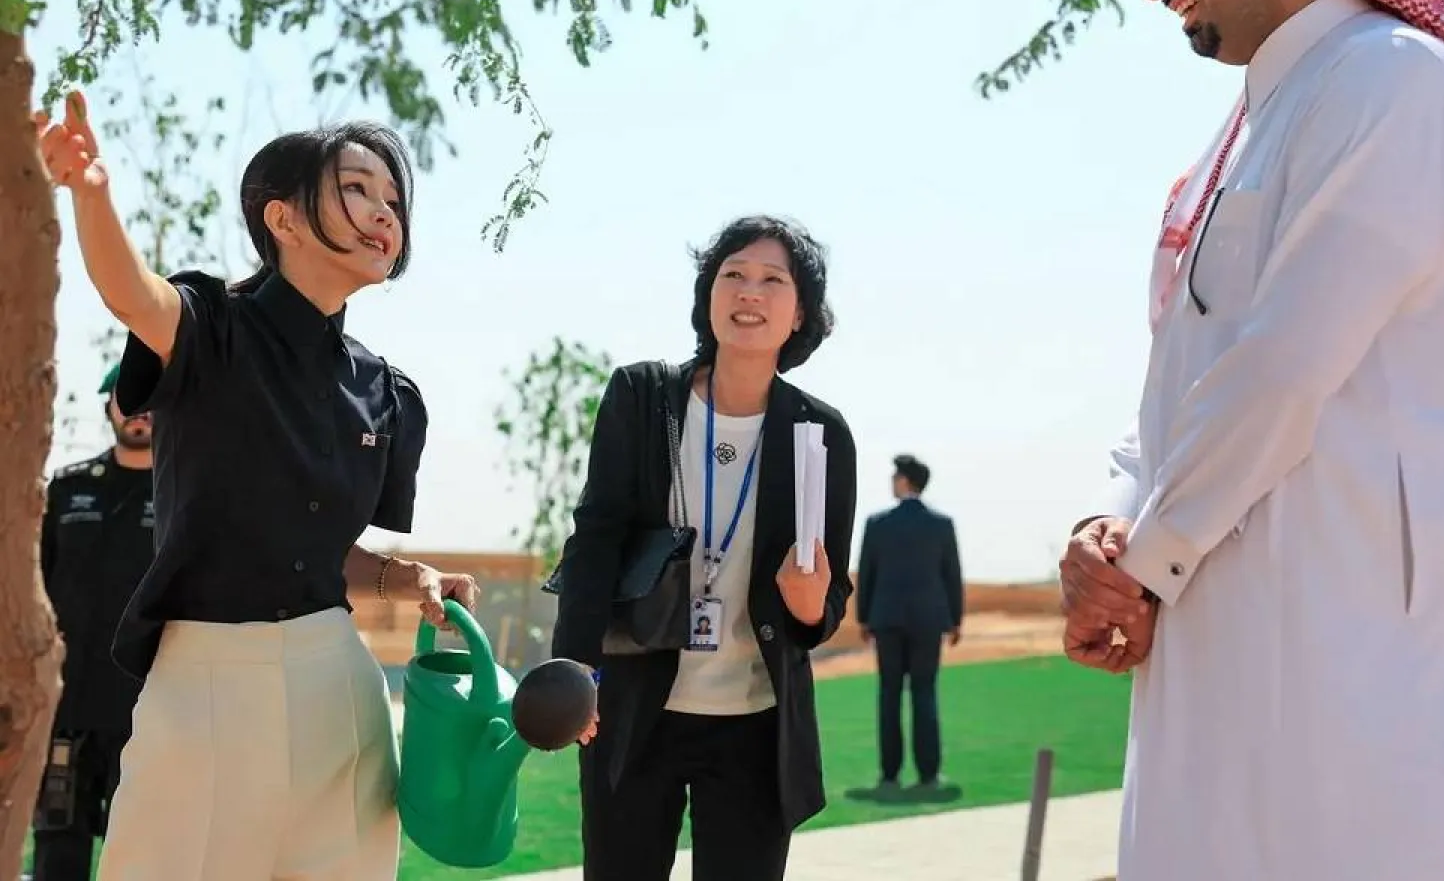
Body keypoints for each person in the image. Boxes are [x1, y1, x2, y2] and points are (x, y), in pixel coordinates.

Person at [1057, 0, 1444, 881]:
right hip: (1214, 609)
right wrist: (1109, 528)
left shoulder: (1392, 77)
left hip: (1349, 634)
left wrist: (1152, 562)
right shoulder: (1244, 129)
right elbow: (1183, 370)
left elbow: (1287, 363)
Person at [37, 91, 480, 881]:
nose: (383, 212)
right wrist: (92, 196)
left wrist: (399, 577)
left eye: (392, 199)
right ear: (283, 219)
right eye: (355, 188)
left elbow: (320, 548)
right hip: (203, 683)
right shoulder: (212, 327)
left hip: (336, 686)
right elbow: (131, 293)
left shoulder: (386, 391)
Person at [549, 214, 858, 881]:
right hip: (634, 711)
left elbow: (826, 604)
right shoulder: (641, 396)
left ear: (801, 311)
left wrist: (809, 604)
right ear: (709, 294)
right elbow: (595, 539)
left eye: (772, 280)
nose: (749, 292)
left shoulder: (820, 432)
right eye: (733, 275)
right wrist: (577, 674)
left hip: (756, 724)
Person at [30, 363, 156, 881]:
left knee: (150, 857)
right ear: (109, 406)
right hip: (68, 712)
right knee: (58, 854)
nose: (140, 411)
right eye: (128, 398)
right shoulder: (65, 490)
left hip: (151, 714)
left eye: (152, 399)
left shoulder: (189, 499)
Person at [853, 453, 962, 797]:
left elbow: (865, 573)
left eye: (895, 476)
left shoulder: (877, 523)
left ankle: (889, 774)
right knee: (924, 694)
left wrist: (863, 617)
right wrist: (955, 619)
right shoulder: (941, 524)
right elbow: (951, 575)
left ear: (904, 481)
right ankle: (929, 774)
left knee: (889, 696)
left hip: (885, 619)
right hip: (929, 620)